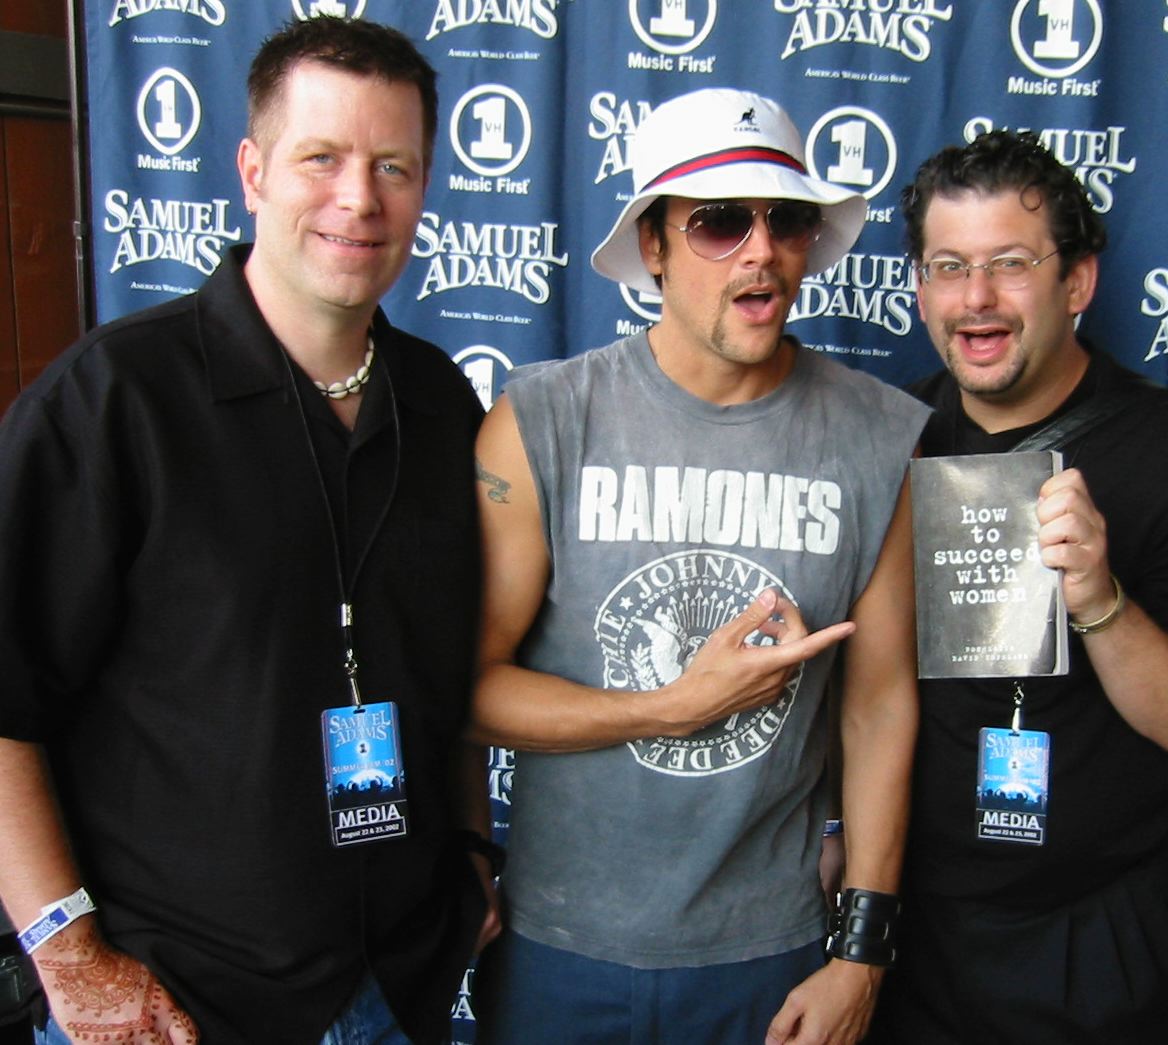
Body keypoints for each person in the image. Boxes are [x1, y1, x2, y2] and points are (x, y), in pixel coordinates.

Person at [0, 17, 498, 1044]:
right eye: (321, 158)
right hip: (172, 1002)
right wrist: (69, 952)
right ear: (252, 171)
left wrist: (471, 850)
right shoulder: (113, 399)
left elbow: (448, 671)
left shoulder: (442, 404)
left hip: (399, 987)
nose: (359, 199)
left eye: (394, 166)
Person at [469, 87, 930, 1045]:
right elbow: (468, 690)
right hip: (562, 944)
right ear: (653, 245)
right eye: (720, 222)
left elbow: (880, 705)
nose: (762, 251)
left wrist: (863, 951)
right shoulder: (541, 421)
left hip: (770, 952)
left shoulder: (879, 437)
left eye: (787, 220)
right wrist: (670, 707)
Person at [868, 129, 1168, 1044]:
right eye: (949, 267)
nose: (976, 298)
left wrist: (1100, 599)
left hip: (1097, 938)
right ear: (919, 288)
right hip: (915, 936)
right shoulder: (891, 437)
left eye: (1010, 264)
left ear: (1077, 282)